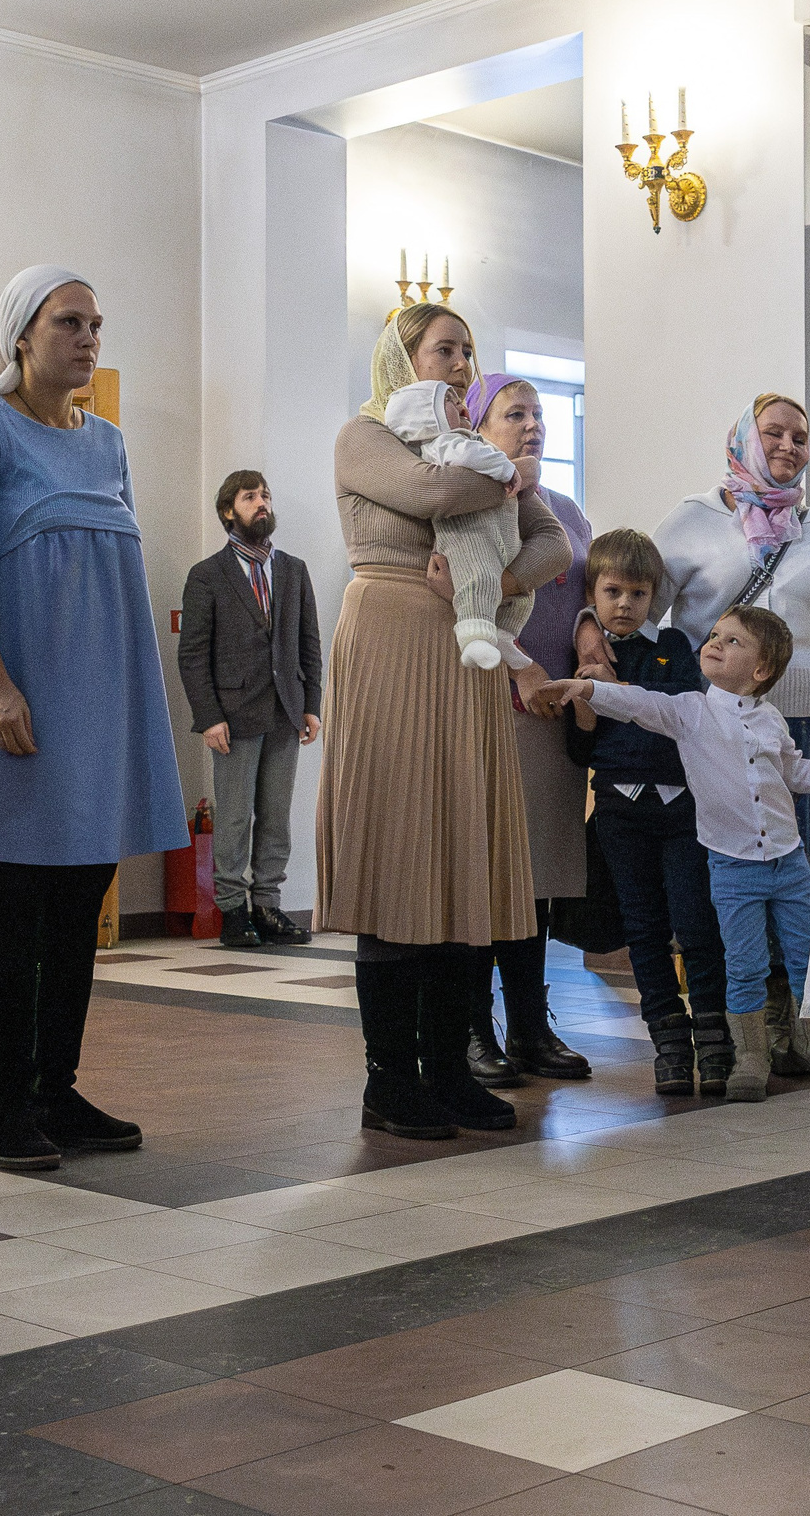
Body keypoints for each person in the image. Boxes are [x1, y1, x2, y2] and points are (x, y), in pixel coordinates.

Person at [0, 266, 186, 1172]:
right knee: (13, 906)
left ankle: (54, 1088)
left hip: (104, 703)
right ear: (20, 334)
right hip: (23, 700)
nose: (87, 338)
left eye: (95, 323)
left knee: (80, 905)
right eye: (68, 321)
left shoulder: (109, 440)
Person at [319, 304, 568, 1140]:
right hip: (389, 635)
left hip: (467, 650)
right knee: (399, 855)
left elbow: (554, 545)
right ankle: (389, 1080)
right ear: (403, 355)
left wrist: (492, 585)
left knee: (462, 853)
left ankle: (449, 1069)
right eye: (445, 349)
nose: (461, 365)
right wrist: (504, 473)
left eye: (469, 352)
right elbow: (428, 489)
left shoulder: (483, 450)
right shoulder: (365, 435)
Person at [623, 394, 810, 1087]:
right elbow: (643, 609)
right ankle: (745, 1030)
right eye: (773, 432)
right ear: (742, 439)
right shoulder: (692, 521)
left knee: (803, 883)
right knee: (734, 882)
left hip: (809, 720)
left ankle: (798, 1028)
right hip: (723, 732)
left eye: (800, 436)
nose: (788, 445)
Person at [535, 605, 810, 1103]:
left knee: (784, 950)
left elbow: (796, 771)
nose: (714, 642)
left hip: (787, 858)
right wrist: (586, 689)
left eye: (732, 641)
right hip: (723, 857)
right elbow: (639, 705)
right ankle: (720, 1051)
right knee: (731, 955)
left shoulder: (770, 719)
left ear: (761, 672)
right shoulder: (692, 709)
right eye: (715, 634)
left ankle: (799, 1039)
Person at [562, 530, 728, 1095]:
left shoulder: (675, 647)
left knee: (697, 921)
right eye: (613, 592)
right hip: (619, 808)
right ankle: (670, 1046)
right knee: (644, 929)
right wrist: (588, 702)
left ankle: (716, 1038)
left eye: (638, 592)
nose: (626, 604)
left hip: (681, 809)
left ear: (654, 595)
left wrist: (617, 689)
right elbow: (580, 749)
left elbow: (682, 714)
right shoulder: (583, 655)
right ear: (593, 593)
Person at [460, 374, 588, 1086]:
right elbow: (465, 599)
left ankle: (532, 1025)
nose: (533, 424)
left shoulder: (565, 508)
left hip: (549, 725)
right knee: (487, 879)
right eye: (515, 413)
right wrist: (518, 671)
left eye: (539, 413)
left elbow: (589, 586)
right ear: (479, 428)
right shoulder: (470, 504)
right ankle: (475, 1029)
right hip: (489, 713)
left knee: (537, 884)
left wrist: (593, 635)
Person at [177, 471, 322, 951]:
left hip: (286, 711)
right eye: (249, 497)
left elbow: (309, 644)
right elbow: (193, 655)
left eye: (265, 496)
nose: (261, 503)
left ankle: (267, 904)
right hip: (233, 716)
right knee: (235, 817)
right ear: (227, 511)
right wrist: (208, 716)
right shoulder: (207, 575)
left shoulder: (294, 570)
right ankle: (233, 911)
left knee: (276, 816)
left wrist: (312, 705)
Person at [381, 380, 535, 670]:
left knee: (523, 594)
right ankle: (473, 637)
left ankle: (503, 634)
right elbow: (465, 456)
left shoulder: (466, 440)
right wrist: (507, 469)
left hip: (498, 534)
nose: (462, 406)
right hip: (469, 534)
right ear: (429, 415)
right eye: (449, 402)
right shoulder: (444, 443)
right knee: (478, 580)